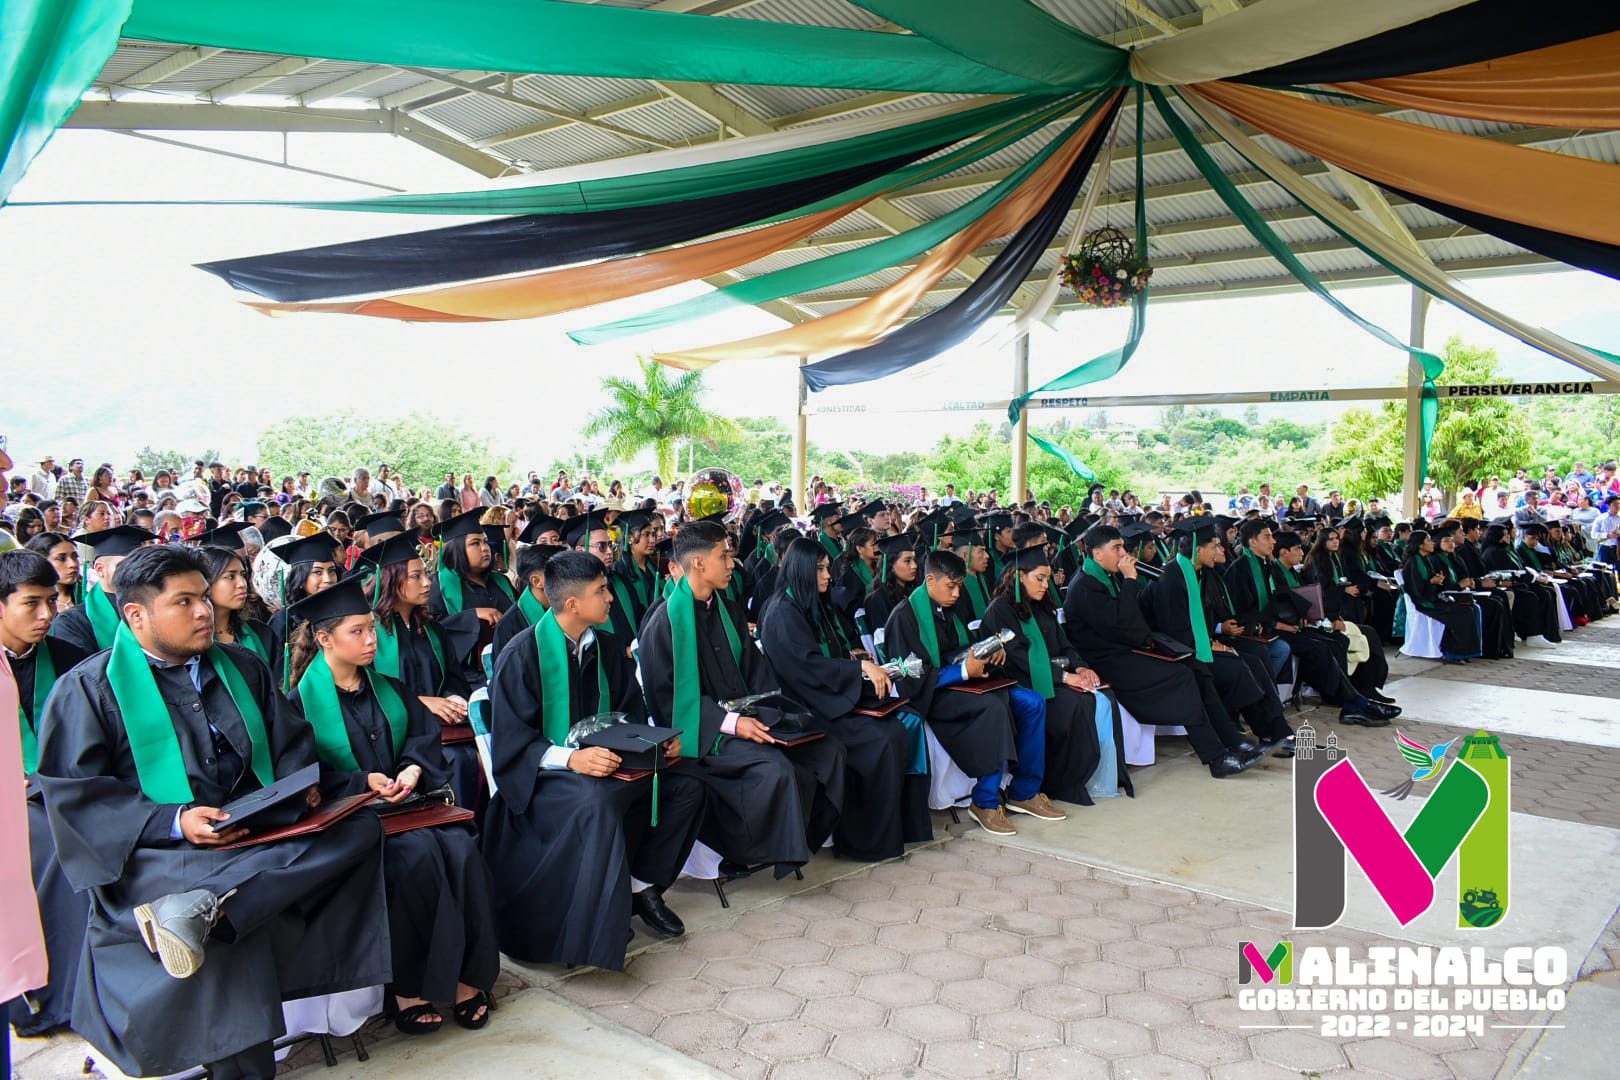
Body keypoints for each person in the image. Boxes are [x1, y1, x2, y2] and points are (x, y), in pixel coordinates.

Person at [36, 544, 391, 1079]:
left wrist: (298, 791)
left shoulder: (241, 666)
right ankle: (215, 937)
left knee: (360, 825)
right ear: (136, 614)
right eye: (184, 602)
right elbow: (77, 797)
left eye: (203, 597)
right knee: (220, 915)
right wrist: (175, 822)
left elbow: (291, 743)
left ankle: (216, 908)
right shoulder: (86, 690)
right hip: (162, 850)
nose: (205, 611)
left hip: (257, 828)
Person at [285, 579, 498, 1035]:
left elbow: (422, 740)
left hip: (412, 805)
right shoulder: (297, 705)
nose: (370, 641)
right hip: (354, 819)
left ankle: (466, 979)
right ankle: (410, 990)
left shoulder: (391, 688)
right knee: (413, 858)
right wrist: (364, 782)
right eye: (357, 632)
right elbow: (301, 777)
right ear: (324, 639)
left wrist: (414, 770)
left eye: (371, 631)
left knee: (461, 850)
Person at [483, 551, 706, 967]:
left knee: (687, 783)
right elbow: (513, 741)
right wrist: (572, 760)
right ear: (572, 604)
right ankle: (599, 922)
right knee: (598, 803)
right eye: (601, 591)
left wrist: (657, 742)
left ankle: (639, 887)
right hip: (544, 776)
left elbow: (632, 712)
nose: (611, 599)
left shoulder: (605, 647)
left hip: (611, 765)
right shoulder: (522, 654)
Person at [638, 521, 847, 875]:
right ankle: (754, 852)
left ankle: (803, 839)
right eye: (725, 557)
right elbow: (669, 703)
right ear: (699, 564)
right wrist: (734, 724)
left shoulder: (728, 609)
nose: (733, 564)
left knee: (828, 749)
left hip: (748, 716)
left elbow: (756, 671)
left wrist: (771, 715)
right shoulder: (664, 623)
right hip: (705, 734)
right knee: (776, 769)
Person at [760, 539, 930, 859]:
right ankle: (862, 842)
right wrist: (859, 669)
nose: (828, 576)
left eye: (827, 568)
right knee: (881, 737)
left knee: (902, 724)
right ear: (801, 571)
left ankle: (898, 831)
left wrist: (859, 664)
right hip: (805, 707)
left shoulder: (813, 604)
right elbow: (806, 667)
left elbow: (831, 654)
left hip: (831, 695)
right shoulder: (783, 611)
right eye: (820, 569)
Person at [883, 549, 1061, 835]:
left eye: (960, 586)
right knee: (993, 708)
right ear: (930, 580)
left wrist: (988, 651)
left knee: (1032, 702)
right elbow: (911, 678)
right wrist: (965, 670)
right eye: (950, 586)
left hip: (966, 685)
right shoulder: (905, 618)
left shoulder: (951, 606)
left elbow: (960, 649)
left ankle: (1024, 791)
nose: (956, 593)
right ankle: (985, 802)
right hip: (931, 695)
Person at [1063, 525, 1261, 779]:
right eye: (1116, 548)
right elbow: (1122, 626)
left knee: (1196, 668)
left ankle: (1232, 740)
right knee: (1181, 677)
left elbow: (1132, 624)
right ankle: (1216, 758)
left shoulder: (1106, 577)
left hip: (1126, 651)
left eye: (1123, 546)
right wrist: (1131, 581)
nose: (1124, 554)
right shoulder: (1085, 586)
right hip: (1106, 661)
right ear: (1097, 554)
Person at [1, 550, 92, 1036]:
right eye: (31, 604)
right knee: (49, 841)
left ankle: (81, 989)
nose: (46, 616)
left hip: (64, 788)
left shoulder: (70, 661)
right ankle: (41, 996)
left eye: (51, 602)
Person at [981, 545, 1133, 805]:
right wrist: (1064, 678)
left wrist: (1081, 667)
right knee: (1076, 703)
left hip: (1051, 676)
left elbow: (1064, 645)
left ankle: (1100, 776)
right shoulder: (1000, 610)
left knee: (1103, 694)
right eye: (1039, 578)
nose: (1044, 585)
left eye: (1047, 579)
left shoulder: (1041, 606)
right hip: (1022, 681)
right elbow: (1018, 658)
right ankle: (1064, 782)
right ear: (1019, 576)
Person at [1148, 520, 1299, 752]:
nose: (1220, 551)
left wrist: (1213, 639)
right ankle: (1266, 732)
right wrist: (1209, 644)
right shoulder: (1170, 577)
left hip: (1201, 644)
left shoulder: (1202, 574)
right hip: (1177, 650)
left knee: (1254, 662)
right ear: (1198, 549)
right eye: (1215, 547)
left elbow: (1207, 618)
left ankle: (1275, 730)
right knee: (1238, 668)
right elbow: (1171, 627)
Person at [1224, 519, 1394, 726]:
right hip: (1261, 631)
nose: (1273, 542)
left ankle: (1354, 699)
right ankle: (1352, 703)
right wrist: (1276, 625)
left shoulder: (1266, 566)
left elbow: (1282, 600)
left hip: (1283, 625)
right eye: (1267, 537)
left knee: (1329, 642)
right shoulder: (1239, 570)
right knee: (1317, 648)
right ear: (1252, 542)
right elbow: (1243, 610)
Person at [428, 509, 515, 691]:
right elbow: (432, 632)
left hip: (512, 666)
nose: (485, 548)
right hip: (467, 680)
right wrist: (472, 615)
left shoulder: (501, 581)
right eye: (475, 543)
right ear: (456, 549)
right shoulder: (437, 586)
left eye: (485, 542)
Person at [49, 525, 154, 654]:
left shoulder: (154, 605)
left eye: (138, 564)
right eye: (123, 566)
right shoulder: (74, 622)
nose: (133, 571)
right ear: (100, 569)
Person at [264, 531, 344, 689]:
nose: (328, 579)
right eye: (317, 572)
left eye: (332, 570)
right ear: (301, 578)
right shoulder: (283, 621)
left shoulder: (342, 612)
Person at [1402, 530, 1486, 662]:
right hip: (1424, 602)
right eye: (1428, 541)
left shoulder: (1425, 560)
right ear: (1420, 545)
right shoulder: (1413, 562)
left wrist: (1437, 581)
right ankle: (1453, 653)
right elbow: (1415, 589)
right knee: (1462, 612)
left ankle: (1469, 652)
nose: (1432, 543)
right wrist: (1432, 582)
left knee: (1473, 608)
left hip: (1433, 596)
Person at [196, 539, 274, 665]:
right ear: (206, 582)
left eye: (243, 575)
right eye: (230, 576)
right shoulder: (192, 641)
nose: (242, 584)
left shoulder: (261, 633)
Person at [491, 540, 567, 661]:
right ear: (537, 581)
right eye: (561, 573)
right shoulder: (509, 625)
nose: (569, 578)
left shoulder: (569, 608)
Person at [25, 531, 81, 612]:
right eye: (61, 558)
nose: (73, 564)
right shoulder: (28, 599)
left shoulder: (87, 595)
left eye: (75, 557)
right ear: (41, 561)